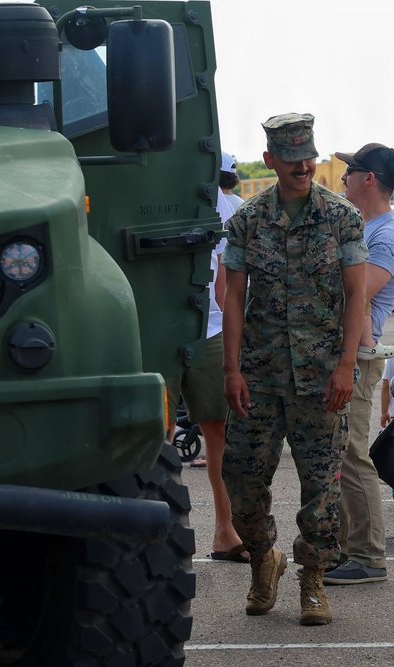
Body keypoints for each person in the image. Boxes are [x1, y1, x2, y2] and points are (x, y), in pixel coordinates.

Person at [220, 113, 367, 626]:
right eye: (292, 159)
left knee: (322, 487)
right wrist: (231, 369)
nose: (304, 167)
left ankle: (313, 580)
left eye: (309, 156)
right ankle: (265, 559)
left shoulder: (342, 217)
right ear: (270, 162)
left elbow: (356, 294)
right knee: (240, 476)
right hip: (258, 373)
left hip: (322, 374)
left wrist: (347, 363)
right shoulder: (247, 220)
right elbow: (233, 296)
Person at [323, 143, 394, 586]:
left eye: (351, 170)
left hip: (357, 357)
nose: (343, 178)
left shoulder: (387, 236)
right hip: (346, 353)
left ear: (369, 179)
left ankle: (370, 556)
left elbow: (354, 292)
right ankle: (346, 548)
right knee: (339, 455)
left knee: (355, 455)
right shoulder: (363, 228)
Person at [165, 152, 248, 564]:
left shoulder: (221, 201)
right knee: (158, 435)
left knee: (219, 432)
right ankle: (162, 533)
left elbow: (224, 276)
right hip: (158, 329)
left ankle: (225, 530)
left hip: (210, 328)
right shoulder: (155, 181)